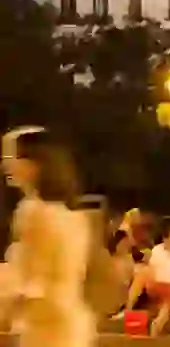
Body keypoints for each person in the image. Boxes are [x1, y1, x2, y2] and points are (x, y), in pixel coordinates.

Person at [0, 127, 96, 347]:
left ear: (34, 163)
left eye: (12, 156)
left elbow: (31, 282)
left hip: (47, 330)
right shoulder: (74, 217)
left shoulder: (33, 213)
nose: (6, 165)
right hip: (73, 326)